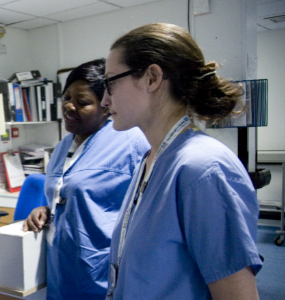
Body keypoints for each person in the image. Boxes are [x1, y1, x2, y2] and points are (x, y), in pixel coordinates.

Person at [101, 23, 262, 300]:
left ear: (152, 78)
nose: (105, 100)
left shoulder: (204, 170)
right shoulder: (150, 160)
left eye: (111, 83)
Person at [23, 58, 149, 300]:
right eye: (67, 98)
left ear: (106, 105)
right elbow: (69, 196)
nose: (70, 106)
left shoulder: (131, 142)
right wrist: (45, 210)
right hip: (62, 270)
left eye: (82, 102)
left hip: (104, 274)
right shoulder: (63, 146)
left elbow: (148, 211)